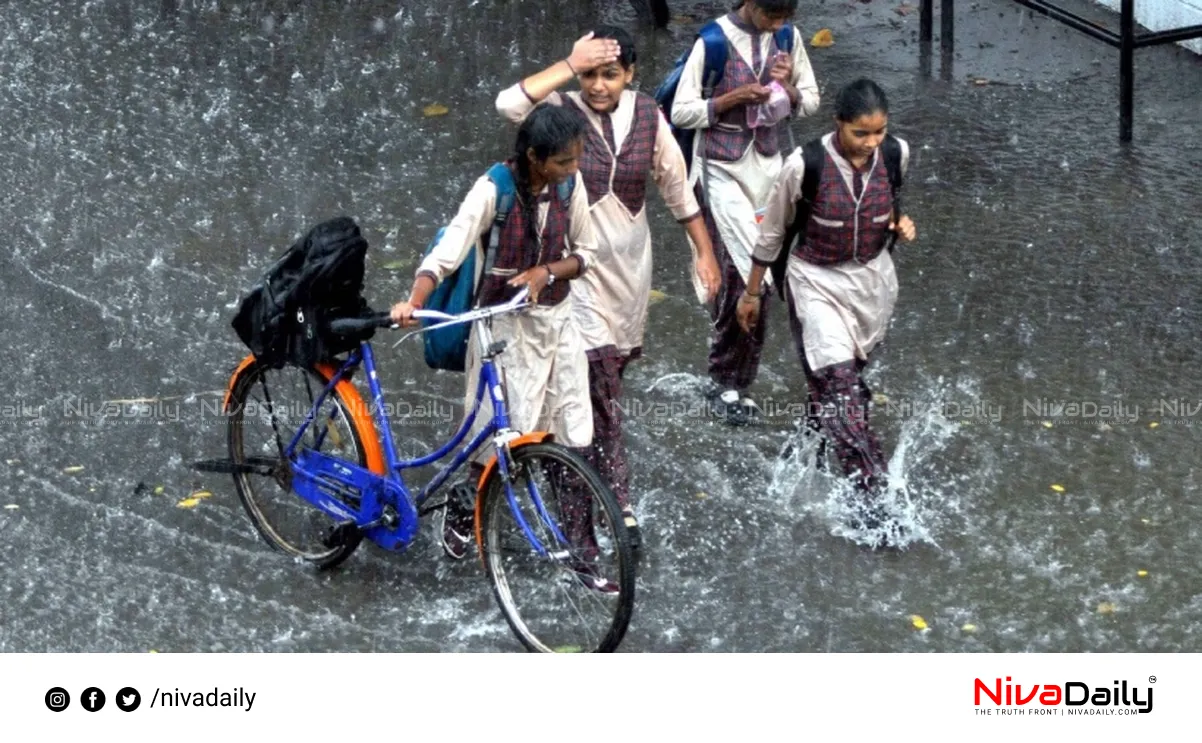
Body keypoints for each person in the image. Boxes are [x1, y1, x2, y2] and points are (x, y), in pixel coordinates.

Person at [495, 25, 721, 543]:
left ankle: (557, 471)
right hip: (566, 270)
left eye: (610, 74)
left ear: (631, 74)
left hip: (627, 274)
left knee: (594, 388)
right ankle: (607, 511)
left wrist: (704, 253)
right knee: (596, 387)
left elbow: (678, 190)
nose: (598, 86)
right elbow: (509, 103)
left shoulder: (647, 115)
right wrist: (571, 62)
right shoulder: (558, 108)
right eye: (591, 74)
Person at [391, 105, 601, 568]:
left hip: (558, 320)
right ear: (533, 157)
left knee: (570, 427)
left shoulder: (571, 185)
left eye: (576, 159)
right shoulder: (495, 190)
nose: (574, 169)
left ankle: (577, 532)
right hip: (504, 327)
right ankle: (465, 509)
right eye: (564, 161)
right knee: (500, 431)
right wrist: (414, 298)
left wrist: (546, 272)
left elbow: (587, 253)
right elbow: (448, 252)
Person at [737, 78, 917, 540]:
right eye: (861, 133)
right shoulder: (805, 165)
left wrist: (900, 222)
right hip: (815, 281)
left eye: (878, 132)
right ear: (838, 123)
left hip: (872, 283)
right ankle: (874, 497)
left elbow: (888, 204)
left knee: (842, 385)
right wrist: (753, 292)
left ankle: (801, 454)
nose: (870, 143)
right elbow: (774, 233)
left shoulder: (898, 154)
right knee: (843, 389)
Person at [670, 0, 820, 425]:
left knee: (770, 273)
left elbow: (810, 101)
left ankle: (734, 375)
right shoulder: (713, 42)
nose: (777, 25)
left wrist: (786, 88)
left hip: (770, 168)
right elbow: (682, 111)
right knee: (746, 276)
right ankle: (726, 381)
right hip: (720, 169)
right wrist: (732, 98)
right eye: (771, 16)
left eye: (784, 18)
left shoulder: (788, 38)